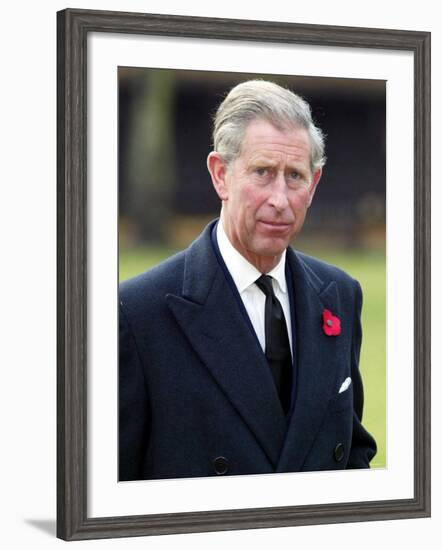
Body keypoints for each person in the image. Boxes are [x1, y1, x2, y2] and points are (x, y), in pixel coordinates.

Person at [119, 79, 377, 481]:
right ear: (221, 175)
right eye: (262, 172)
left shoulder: (341, 295)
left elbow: (352, 453)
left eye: (295, 176)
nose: (280, 198)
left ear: (314, 185)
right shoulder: (137, 312)